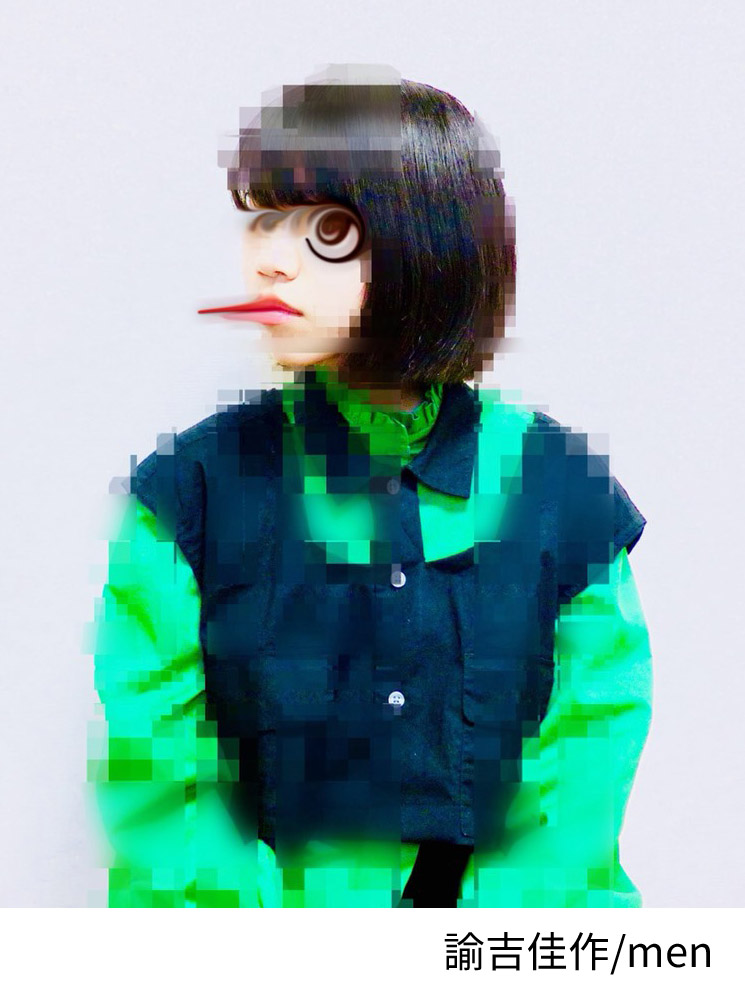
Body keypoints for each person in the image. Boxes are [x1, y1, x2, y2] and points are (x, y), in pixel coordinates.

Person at [90, 65, 652, 908]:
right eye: (263, 222)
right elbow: (159, 778)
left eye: (324, 230)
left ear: (431, 244)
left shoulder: (559, 492)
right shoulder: (188, 494)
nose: (271, 263)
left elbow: (587, 759)